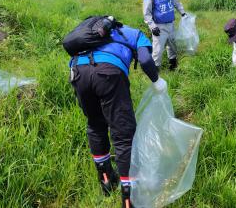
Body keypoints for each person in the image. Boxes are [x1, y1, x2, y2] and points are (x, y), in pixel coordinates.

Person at [68, 16, 165, 208]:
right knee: (123, 135)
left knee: (95, 125)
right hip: (108, 73)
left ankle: (105, 179)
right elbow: (145, 59)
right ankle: (129, 199)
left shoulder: (88, 35)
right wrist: (157, 81)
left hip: (78, 72)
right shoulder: (135, 34)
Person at [143, 0, 187, 70]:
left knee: (172, 46)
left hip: (170, 23)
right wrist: (152, 26)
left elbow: (176, 1)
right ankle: (155, 72)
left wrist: (183, 12)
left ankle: (172, 65)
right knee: (158, 50)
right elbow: (146, 12)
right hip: (159, 26)